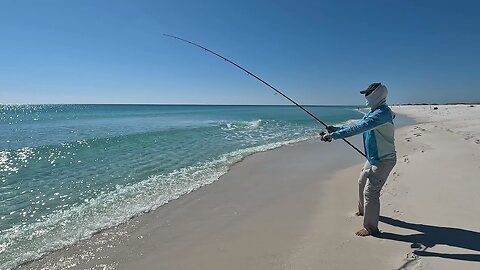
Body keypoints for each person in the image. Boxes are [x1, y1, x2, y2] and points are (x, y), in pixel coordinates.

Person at [320, 82, 397, 237]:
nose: (365, 96)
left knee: (370, 192)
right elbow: (359, 125)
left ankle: (370, 228)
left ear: (376, 94)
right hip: (373, 158)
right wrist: (336, 129)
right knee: (361, 181)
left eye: (367, 93)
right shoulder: (374, 112)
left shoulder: (381, 114)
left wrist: (333, 136)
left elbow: (359, 128)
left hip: (384, 160)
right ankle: (363, 211)